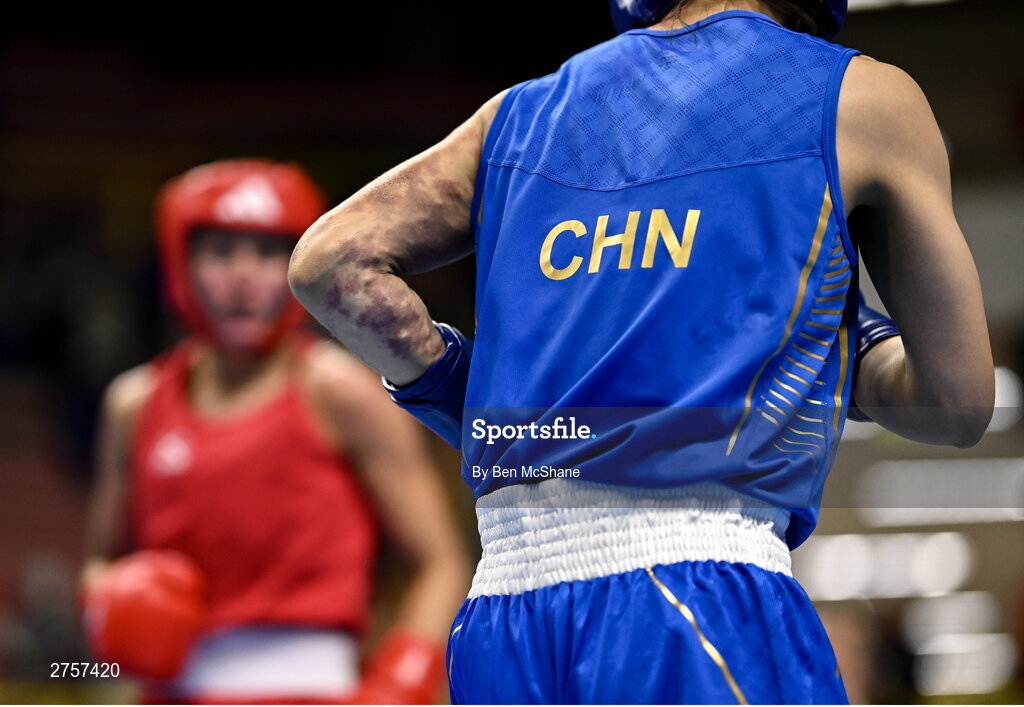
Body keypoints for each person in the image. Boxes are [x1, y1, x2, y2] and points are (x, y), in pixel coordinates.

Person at [287, 0, 995, 702]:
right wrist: (847, 339)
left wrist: (484, 412)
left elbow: (329, 263)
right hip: (698, 590)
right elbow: (956, 402)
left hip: (502, 611)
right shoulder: (864, 95)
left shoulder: (519, 115)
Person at [81, 159, 470, 704]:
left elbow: (441, 559)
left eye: (267, 254)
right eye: (220, 252)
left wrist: (399, 680)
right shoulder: (135, 404)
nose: (243, 276)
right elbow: (102, 561)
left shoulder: (338, 392)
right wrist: (113, 608)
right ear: (181, 263)